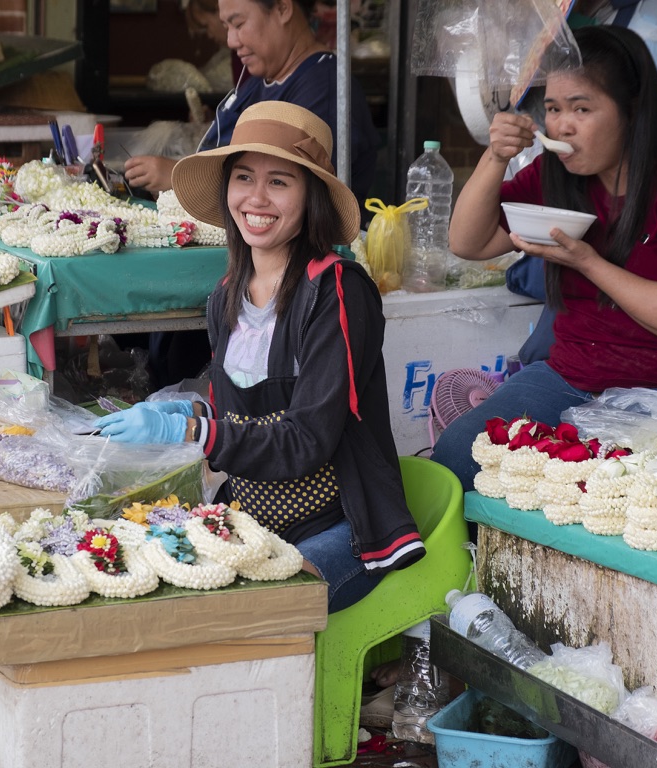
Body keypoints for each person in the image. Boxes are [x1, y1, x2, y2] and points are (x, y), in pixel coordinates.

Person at [95, 101, 424, 613]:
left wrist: (194, 434)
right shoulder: (226, 293)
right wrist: (194, 413)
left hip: (342, 525)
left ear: (310, 195)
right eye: (244, 177)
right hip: (255, 513)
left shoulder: (337, 290)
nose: (256, 198)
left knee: (253, 612)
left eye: (279, 182)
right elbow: (242, 417)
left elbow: (307, 437)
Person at [432, 24, 657, 493]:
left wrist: (587, 261)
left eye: (582, 108)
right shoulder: (557, 176)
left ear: (631, 111)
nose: (562, 125)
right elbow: (469, 243)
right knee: (456, 458)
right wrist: (495, 157)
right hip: (571, 375)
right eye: (554, 109)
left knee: (588, 484)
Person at [124, 0, 379, 209]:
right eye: (226, 27)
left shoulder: (323, 89)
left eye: (238, 24)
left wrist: (178, 177)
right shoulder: (257, 81)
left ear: (282, 8)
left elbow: (285, 198)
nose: (231, 41)